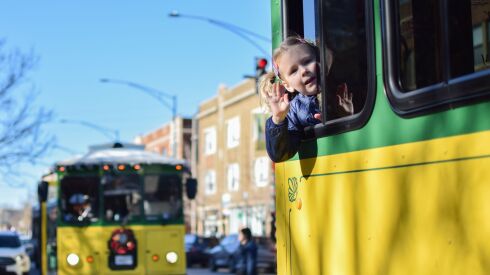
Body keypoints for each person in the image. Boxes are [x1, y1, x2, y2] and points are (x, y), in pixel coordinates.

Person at [259, 36, 353, 162]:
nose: (303, 71)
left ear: (321, 60)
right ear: (287, 85)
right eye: (293, 71)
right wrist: (278, 119)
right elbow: (280, 154)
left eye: (307, 61)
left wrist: (346, 115)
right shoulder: (294, 110)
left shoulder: (343, 88)